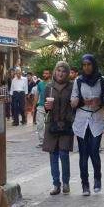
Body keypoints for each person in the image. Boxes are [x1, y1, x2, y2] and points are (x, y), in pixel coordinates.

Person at [71, 55, 104, 195]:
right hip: (82, 120)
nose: (86, 67)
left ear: (93, 65)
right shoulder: (78, 80)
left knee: (94, 152)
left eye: (89, 64)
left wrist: (99, 101)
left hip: (96, 119)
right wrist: (79, 101)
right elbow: (74, 97)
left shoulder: (101, 80)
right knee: (83, 154)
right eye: (84, 65)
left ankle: (97, 179)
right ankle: (85, 185)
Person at [43, 61, 74, 195]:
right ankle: (56, 184)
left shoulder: (72, 87)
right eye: (58, 71)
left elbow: (75, 106)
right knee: (53, 155)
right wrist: (46, 107)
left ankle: (66, 183)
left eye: (64, 71)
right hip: (52, 125)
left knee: (64, 154)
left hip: (66, 125)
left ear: (67, 73)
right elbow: (44, 107)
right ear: (55, 72)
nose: (60, 74)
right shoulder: (49, 87)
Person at [35, 69, 50, 147]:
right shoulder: (40, 84)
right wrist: (34, 107)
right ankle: (41, 141)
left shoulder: (52, 84)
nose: (45, 75)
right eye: (44, 73)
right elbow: (37, 95)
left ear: (50, 74)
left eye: (47, 73)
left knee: (48, 125)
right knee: (40, 124)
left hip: (50, 106)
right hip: (40, 106)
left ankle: (48, 140)